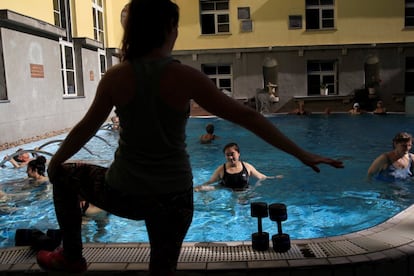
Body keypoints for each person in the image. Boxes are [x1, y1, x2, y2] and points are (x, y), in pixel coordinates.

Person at [36, 1, 344, 275]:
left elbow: (86, 128)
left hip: (125, 192)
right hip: (174, 197)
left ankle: (72, 257)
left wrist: (56, 162)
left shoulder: (117, 76)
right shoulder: (186, 77)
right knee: (163, 268)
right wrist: (301, 154)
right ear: (169, 27)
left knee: (64, 175)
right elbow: (248, 117)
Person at [194, 142, 275, 192]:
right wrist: (200, 187)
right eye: (227, 155)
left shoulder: (247, 167)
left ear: (238, 153)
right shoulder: (221, 169)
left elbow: (261, 177)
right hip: (226, 192)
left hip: (245, 193)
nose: (230, 157)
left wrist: (274, 178)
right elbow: (211, 182)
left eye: (232, 154)